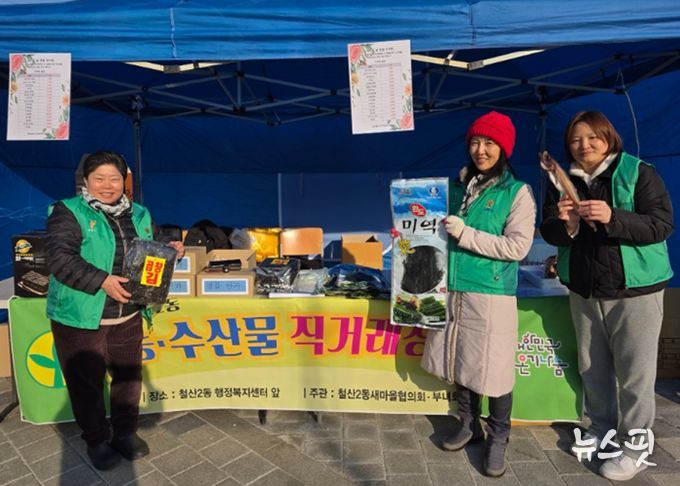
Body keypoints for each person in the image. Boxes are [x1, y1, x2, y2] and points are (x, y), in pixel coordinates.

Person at [540, 111, 673, 481]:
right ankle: (602, 430)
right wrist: (566, 225)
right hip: (584, 290)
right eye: (575, 140)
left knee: (634, 374)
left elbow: (661, 224)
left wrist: (613, 216)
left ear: (608, 138)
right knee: (592, 368)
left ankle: (635, 445)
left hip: (635, 291)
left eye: (592, 138)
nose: (584, 146)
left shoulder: (638, 172)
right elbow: (548, 229)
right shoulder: (562, 179)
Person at [45, 151, 185, 470]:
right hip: (81, 319)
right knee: (87, 384)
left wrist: (170, 247)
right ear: (86, 181)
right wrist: (102, 281)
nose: (107, 185)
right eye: (99, 178)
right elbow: (60, 258)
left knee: (127, 378)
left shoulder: (140, 213)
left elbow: (152, 243)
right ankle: (96, 439)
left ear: (124, 181)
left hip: (128, 314)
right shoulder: (67, 211)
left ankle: (125, 432)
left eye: (114, 178)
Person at [421, 111, 536, 477]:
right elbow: (433, 231)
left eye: (489, 143)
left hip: (491, 292)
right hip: (452, 287)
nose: (480, 150)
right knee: (462, 360)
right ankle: (468, 424)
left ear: (503, 148)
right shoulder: (455, 188)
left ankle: (499, 436)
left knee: (494, 367)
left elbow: (517, 247)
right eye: (475, 142)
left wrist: (465, 234)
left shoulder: (516, 192)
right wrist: (413, 234)